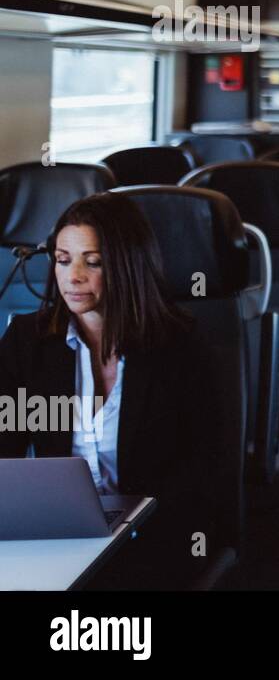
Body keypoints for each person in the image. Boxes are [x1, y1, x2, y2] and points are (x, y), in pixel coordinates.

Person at [0, 192, 226, 589]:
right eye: (63, 259)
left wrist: (129, 528)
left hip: (153, 540)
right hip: (55, 537)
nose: (73, 277)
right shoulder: (28, 341)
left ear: (125, 265)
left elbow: (204, 475)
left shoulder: (180, 348)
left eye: (93, 262)